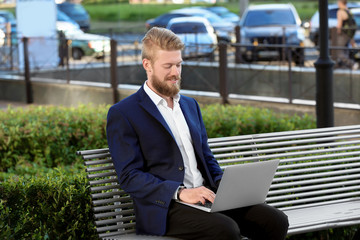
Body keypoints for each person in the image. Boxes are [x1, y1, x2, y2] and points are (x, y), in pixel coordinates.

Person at [106, 27, 289, 240]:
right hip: (166, 208)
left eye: (178, 65)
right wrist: (181, 192)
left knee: (275, 221)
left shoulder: (190, 106)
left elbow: (206, 157)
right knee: (225, 229)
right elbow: (130, 176)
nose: (175, 73)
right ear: (147, 65)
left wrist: (228, 188)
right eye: (168, 66)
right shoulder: (124, 113)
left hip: (207, 197)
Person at [334, 0, 358, 70]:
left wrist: (337, 32)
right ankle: (347, 65)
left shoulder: (340, 11)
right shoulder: (348, 11)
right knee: (345, 50)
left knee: (338, 51)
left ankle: (352, 64)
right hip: (349, 34)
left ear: (340, 3)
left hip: (343, 34)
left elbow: (339, 25)